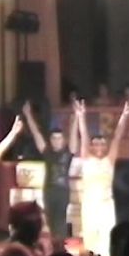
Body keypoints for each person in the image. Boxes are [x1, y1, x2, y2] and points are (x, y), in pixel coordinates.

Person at [75, 98, 129, 256]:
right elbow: (84, 137)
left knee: (107, 235)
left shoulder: (109, 160)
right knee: (90, 236)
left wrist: (124, 115)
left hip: (106, 203)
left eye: (102, 144)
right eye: (96, 144)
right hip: (90, 203)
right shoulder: (87, 159)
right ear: (92, 146)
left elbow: (117, 137)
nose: (99, 147)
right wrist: (81, 116)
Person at [22, 101, 76, 241]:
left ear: (63, 140)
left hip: (62, 192)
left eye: (59, 138)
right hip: (49, 191)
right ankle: (53, 245)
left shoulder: (68, 152)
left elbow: (74, 136)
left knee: (60, 221)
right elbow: (36, 133)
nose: (56, 141)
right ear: (51, 140)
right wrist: (28, 115)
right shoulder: (47, 152)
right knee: (50, 222)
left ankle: (61, 246)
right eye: (54, 138)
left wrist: (76, 116)